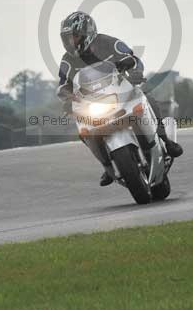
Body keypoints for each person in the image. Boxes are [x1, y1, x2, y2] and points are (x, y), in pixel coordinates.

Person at [56, 11, 184, 186]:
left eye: (75, 36)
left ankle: (165, 140)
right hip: (93, 101)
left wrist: (135, 72)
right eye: (68, 38)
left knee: (147, 97)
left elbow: (133, 59)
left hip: (121, 91)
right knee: (83, 128)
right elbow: (63, 86)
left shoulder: (109, 43)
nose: (71, 42)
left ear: (87, 32)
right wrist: (68, 99)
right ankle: (107, 163)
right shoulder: (67, 61)